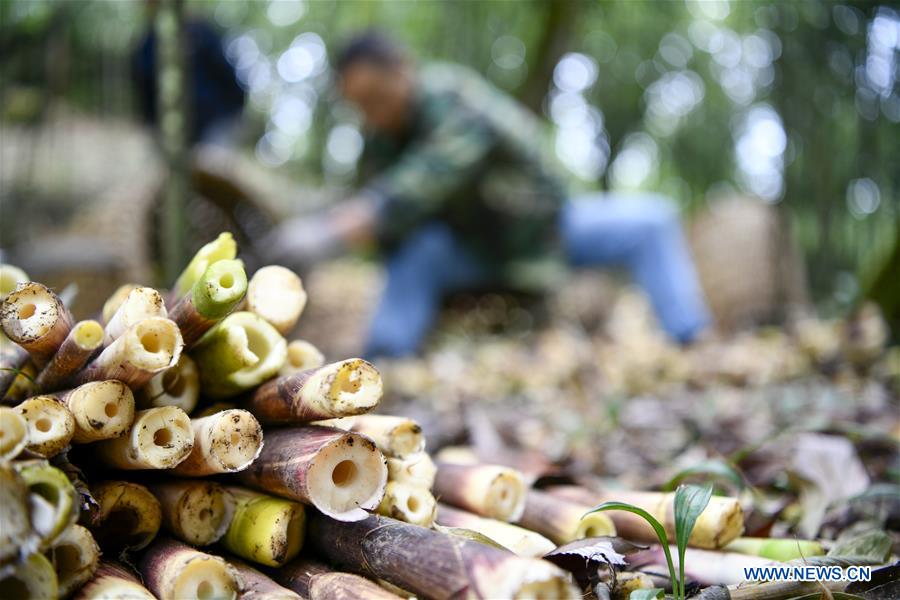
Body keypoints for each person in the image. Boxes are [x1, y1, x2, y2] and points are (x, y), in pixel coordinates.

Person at [268, 31, 711, 358]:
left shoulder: (452, 97)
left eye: (376, 97)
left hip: (545, 233)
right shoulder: (382, 140)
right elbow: (381, 214)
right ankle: (381, 365)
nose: (372, 115)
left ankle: (692, 341)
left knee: (651, 222)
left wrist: (326, 231)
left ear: (402, 69)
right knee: (416, 250)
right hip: (471, 253)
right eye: (360, 107)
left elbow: (418, 184)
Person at [131, 7, 245, 146]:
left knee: (211, 161)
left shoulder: (201, 33)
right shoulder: (147, 45)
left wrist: (236, 110)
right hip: (172, 129)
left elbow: (227, 75)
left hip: (214, 122)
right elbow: (144, 90)